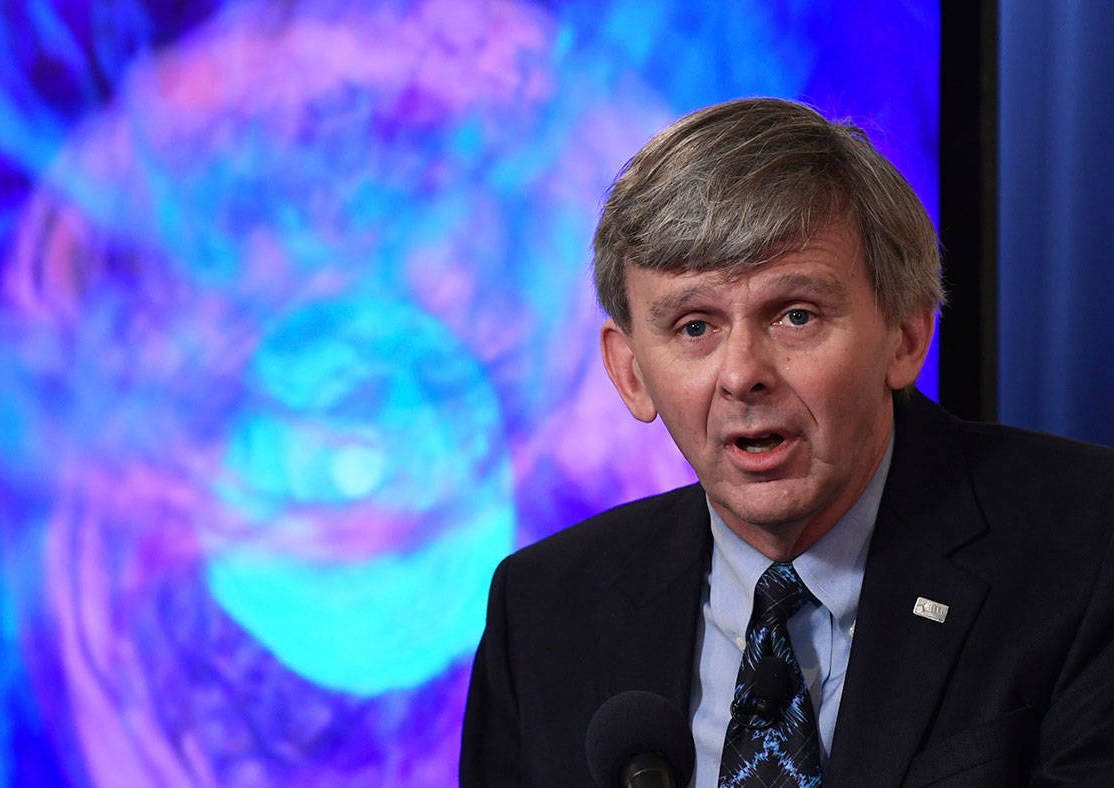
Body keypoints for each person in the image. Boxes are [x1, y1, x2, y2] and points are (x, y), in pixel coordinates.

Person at [459, 98, 1114, 787]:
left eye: (795, 315)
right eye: (693, 327)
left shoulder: (1088, 547)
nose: (743, 374)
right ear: (630, 373)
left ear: (906, 336)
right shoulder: (543, 614)